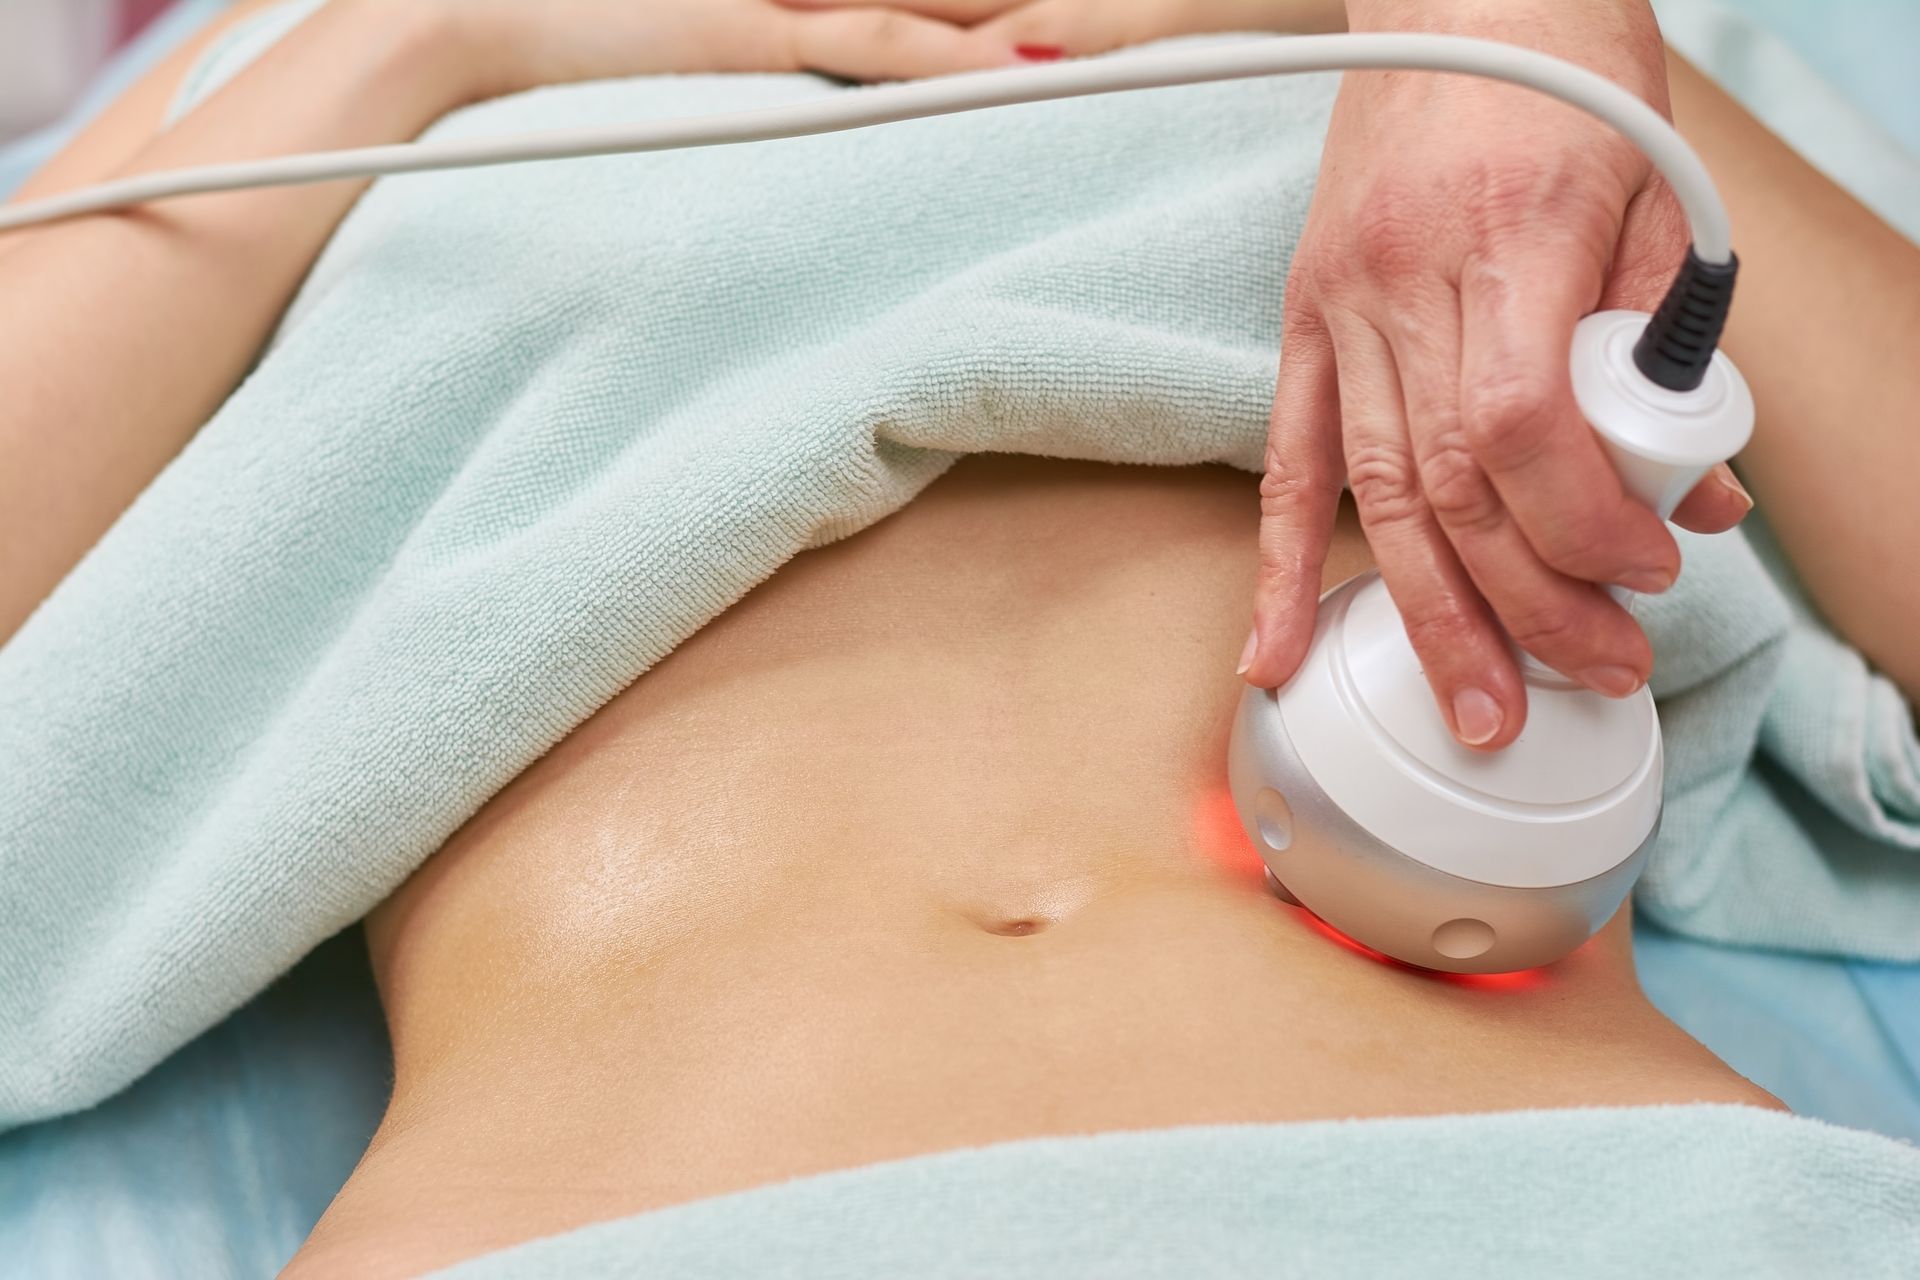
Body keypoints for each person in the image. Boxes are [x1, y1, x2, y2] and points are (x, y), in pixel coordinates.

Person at [2, 1, 1916, 1275]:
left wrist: (1535, 50)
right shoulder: (406, 119)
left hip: (1578, 1211)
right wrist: (432, 33)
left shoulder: (1519, 90)